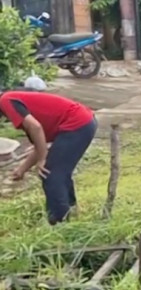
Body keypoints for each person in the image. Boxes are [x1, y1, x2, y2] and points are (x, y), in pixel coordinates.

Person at [1, 88, 96, 225]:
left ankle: (59, 223)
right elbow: (40, 144)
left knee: (50, 174)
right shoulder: (12, 101)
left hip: (77, 123)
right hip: (83, 122)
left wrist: (42, 159)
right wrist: (22, 169)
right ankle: (71, 213)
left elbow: (36, 128)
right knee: (59, 173)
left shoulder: (6, 101)